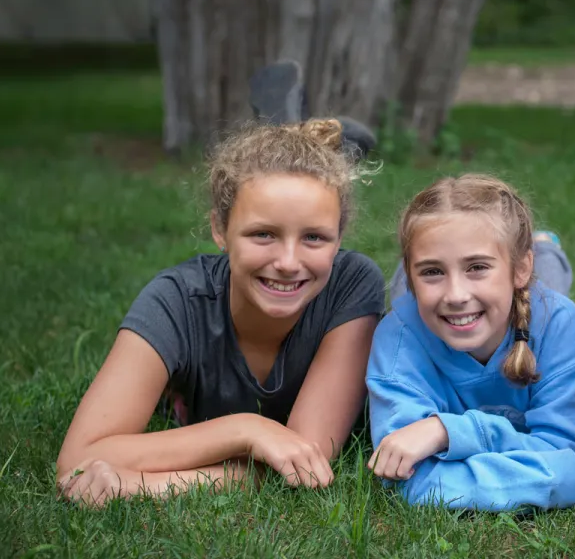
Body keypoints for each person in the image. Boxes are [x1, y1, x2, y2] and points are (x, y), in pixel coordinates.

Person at [54, 114, 386, 506]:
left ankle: (304, 122)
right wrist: (245, 429)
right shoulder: (176, 300)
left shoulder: (351, 283)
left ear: (340, 238)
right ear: (219, 229)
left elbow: (304, 460)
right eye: (263, 234)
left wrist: (135, 485)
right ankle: (295, 118)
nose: (288, 261)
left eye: (314, 237)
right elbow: (78, 458)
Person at [366, 175, 575, 511]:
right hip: (452, 309)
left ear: (520, 267)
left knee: (546, 296)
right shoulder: (398, 336)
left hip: (531, 305)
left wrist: (446, 432)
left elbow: (574, 458)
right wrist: (552, 476)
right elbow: (405, 477)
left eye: (477, 267)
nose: (456, 294)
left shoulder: (558, 323)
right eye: (432, 271)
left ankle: (545, 250)